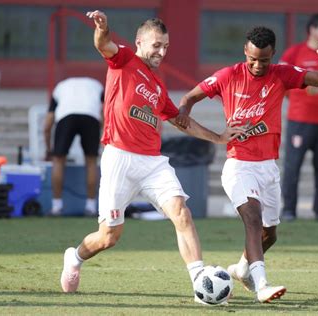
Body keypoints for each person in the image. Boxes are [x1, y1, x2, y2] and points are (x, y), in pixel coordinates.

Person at [60, 10, 246, 305]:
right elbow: (103, 44)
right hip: (119, 156)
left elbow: (180, 120)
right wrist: (103, 28)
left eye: (166, 46)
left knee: (181, 212)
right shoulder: (123, 59)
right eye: (156, 45)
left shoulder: (158, 87)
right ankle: (75, 257)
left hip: (152, 162)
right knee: (109, 237)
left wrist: (219, 137)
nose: (162, 51)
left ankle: (200, 280)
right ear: (139, 42)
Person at [176, 26, 318, 303]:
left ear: (273, 54)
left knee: (269, 234)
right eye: (252, 59)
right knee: (252, 217)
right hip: (238, 165)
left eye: (264, 60)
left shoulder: (283, 74)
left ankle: (241, 269)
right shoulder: (228, 75)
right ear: (245, 52)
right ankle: (262, 285)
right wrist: (184, 113)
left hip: (268, 167)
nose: (257, 65)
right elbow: (189, 97)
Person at [279, 13, 318, 223]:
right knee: (292, 167)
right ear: (312, 30)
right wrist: (298, 102)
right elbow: (280, 81)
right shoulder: (294, 52)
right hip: (300, 120)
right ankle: (288, 210)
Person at [43, 76, 104, 216]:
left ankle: (56, 207)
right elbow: (105, 114)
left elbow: (47, 125)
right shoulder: (96, 85)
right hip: (91, 117)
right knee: (91, 161)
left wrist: (49, 150)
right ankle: (91, 207)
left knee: (58, 161)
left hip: (66, 116)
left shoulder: (60, 87)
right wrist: (103, 141)